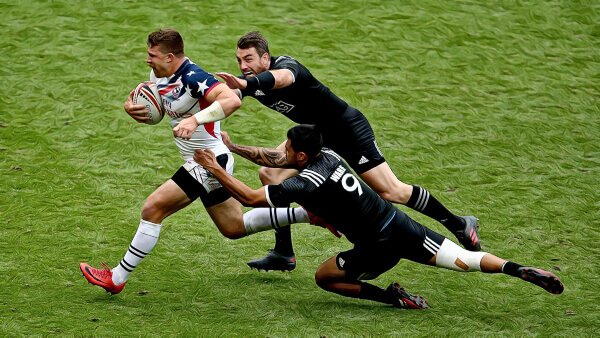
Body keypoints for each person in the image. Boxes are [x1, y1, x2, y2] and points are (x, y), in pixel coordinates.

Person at [193, 125, 564, 309]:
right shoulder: (330, 156)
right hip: (399, 226)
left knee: (325, 277)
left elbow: (251, 198)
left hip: (374, 248)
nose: (282, 150)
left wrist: (214, 165)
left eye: (288, 146)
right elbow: (274, 161)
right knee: (465, 260)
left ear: (302, 156)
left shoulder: (305, 184)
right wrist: (234, 148)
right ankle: (519, 270)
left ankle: (392, 298)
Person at [214, 31, 480, 271]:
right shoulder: (249, 82)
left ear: (265, 57)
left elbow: (282, 79)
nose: (243, 66)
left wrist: (246, 85)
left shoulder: (286, 68)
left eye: (248, 59)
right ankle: (284, 252)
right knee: (270, 174)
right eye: (239, 60)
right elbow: (228, 96)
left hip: (347, 130)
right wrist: (205, 113)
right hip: (316, 135)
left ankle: (458, 223)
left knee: (391, 191)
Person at [79, 29, 317, 295]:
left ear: (170, 57)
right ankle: (311, 214)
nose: (148, 60)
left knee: (153, 208)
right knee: (233, 227)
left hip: (209, 161)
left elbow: (230, 101)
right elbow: (153, 102)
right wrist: (129, 106)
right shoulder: (158, 75)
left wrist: (195, 120)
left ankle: (117, 277)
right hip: (204, 161)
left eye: (152, 55)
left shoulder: (195, 78)